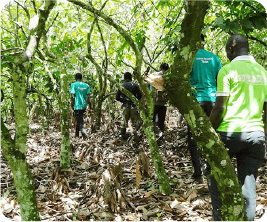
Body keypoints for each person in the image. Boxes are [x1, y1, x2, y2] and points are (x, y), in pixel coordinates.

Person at [209, 34, 267, 220]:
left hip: (229, 134)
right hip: (256, 135)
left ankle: (219, 218)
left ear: (230, 49)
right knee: (249, 187)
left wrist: (208, 133)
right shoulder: (263, 73)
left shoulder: (227, 71)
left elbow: (219, 108)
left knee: (216, 179)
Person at [189, 34, 222, 183]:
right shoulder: (214, 58)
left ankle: (198, 173)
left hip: (197, 101)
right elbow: (220, 80)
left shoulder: (189, 58)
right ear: (204, 42)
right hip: (214, 102)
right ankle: (211, 169)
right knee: (213, 136)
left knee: (193, 137)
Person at [116, 72, 142, 140]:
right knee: (136, 121)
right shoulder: (135, 85)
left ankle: (123, 137)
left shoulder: (121, 85)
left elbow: (117, 97)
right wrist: (135, 101)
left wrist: (123, 101)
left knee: (124, 122)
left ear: (124, 78)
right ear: (131, 77)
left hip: (125, 106)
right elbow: (140, 95)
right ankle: (135, 135)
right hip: (133, 105)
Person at [70, 73, 91, 139]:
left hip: (77, 106)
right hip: (83, 106)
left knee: (80, 122)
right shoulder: (86, 85)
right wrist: (90, 106)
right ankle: (76, 135)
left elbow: (73, 96)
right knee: (78, 120)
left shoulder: (73, 85)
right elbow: (88, 97)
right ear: (82, 78)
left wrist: (72, 105)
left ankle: (84, 135)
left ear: (75, 78)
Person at [152, 63, 169, 132]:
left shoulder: (155, 75)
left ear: (160, 67)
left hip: (155, 100)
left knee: (151, 119)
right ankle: (160, 134)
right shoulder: (168, 76)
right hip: (164, 101)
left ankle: (152, 133)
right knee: (161, 120)